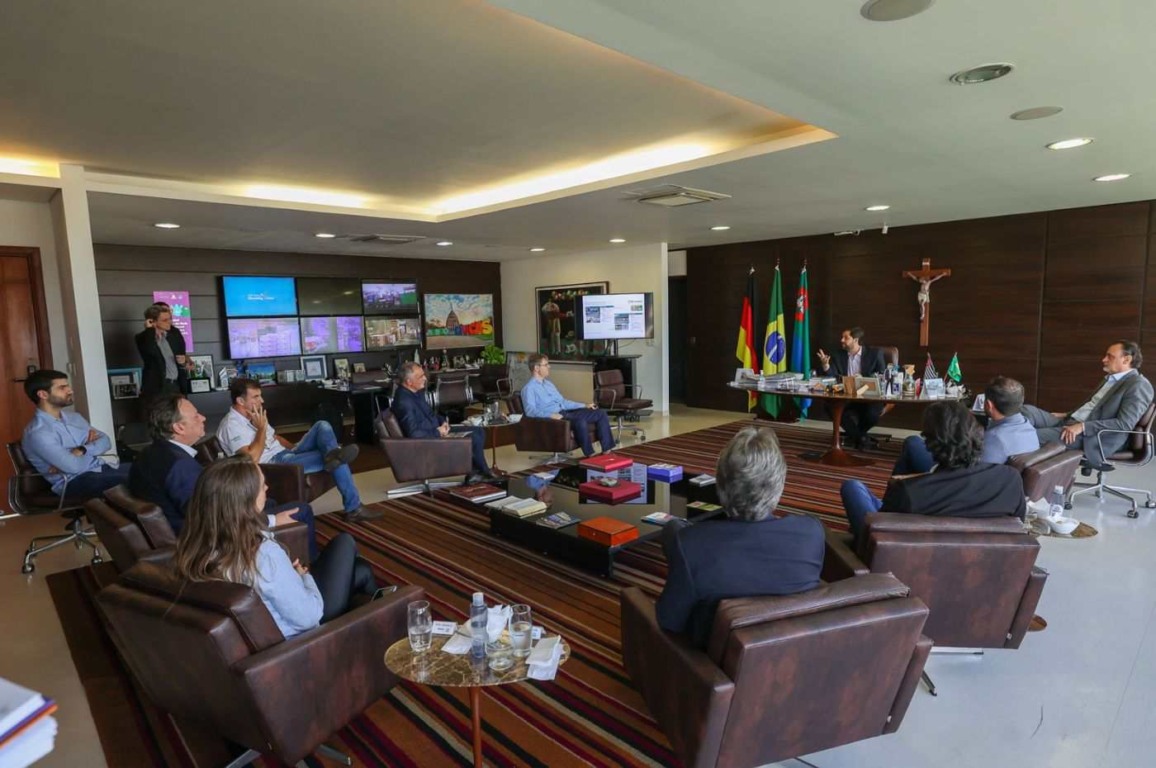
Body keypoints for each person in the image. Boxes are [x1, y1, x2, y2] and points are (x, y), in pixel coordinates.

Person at [656, 426, 824, 649]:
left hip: (709, 661)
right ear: (780, 483)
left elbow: (669, 621)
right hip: (790, 653)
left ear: (721, 485)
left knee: (674, 529)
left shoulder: (691, 544)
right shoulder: (811, 532)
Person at [171, 459, 378, 639]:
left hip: (273, 624)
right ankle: (382, 620)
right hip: (303, 639)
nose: (267, 488)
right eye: (262, 485)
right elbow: (310, 616)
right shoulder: (263, 555)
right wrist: (303, 577)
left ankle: (380, 612)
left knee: (361, 570)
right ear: (246, 500)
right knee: (345, 542)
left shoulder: (197, 544)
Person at [128, 393, 318, 557]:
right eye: (195, 416)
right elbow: (211, 519)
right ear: (179, 428)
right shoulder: (180, 466)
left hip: (192, 524)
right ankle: (308, 569)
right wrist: (271, 521)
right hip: (205, 543)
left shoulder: (150, 454)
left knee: (269, 502)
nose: (203, 418)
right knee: (302, 510)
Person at [840, 401, 1026, 546]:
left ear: (929, 444)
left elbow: (882, 532)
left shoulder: (910, 492)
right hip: (984, 561)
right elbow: (1019, 529)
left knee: (852, 488)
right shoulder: (1010, 479)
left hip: (901, 557)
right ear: (978, 432)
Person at [216, 378, 381, 522]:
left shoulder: (253, 414)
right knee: (339, 458)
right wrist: (261, 429)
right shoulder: (231, 425)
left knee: (322, 425)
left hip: (287, 454)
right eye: (256, 397)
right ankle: (353, 508)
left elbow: (275, 438)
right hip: (274, 464)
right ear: (240, 400)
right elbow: (250, 460)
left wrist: (294, 449)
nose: (262, 400)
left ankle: (332, 454)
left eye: (261, 395)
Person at [1020, 340, 1154, 469]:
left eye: (1110, 356)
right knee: (1025, 410)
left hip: (1091, 437)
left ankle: (1015, 473)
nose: (1104, 360)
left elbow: (1124, 424)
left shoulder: (1138, 385)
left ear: (1126, 359)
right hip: (1071, 422)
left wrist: (1082, 427)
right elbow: (1093, 407)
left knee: (1027, 436)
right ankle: (1013, 437)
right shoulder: (1111, 379)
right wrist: (1067, 414)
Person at [892, 376, 1040, 475]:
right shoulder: (1028, 427)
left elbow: (968, 471)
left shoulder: (996, 439)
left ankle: (898, 491)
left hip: (954, 478)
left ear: (989, 405)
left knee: (913, 443)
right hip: (991, 482)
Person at [21, 369, 130, 497]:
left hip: (100, 468)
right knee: (138, 479)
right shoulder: (38, 432)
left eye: (68, 386)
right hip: (75, 481)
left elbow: (106, 441)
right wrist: (88, 448)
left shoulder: (74, 417)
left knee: (147, 468)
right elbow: (74, 467)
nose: (70, 390)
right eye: (62, 387)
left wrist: (81, 450)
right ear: (43, 394)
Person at [390, 362, 497, 484]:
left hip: (436, 431)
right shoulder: (404, 402)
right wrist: (438, 432)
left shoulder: (416, 393)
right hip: (428, 442)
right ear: (409, 382)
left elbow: (430, 414)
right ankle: (483, 472)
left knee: (478, 431)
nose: (425, 379)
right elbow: (413, 434)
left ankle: (476, 472)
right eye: (421, 376)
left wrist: (443, 422)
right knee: (474, 436)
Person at [521, 353, 616, 457]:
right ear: (536, 368)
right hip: (554, 418)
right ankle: (590, 455)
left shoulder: (548, 384)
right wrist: (550, 415)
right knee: (580, 421)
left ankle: (607, 451)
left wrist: (584, 405)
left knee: (600, 413)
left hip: (566, 412)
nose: (549, 366)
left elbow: (563, 402)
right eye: (546, 364)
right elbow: (530, 411)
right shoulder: (529, 389)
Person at [816, 327, 888, 447]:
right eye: (842, 337)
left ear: (855, 340)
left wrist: (863, 378)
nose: (841, 340)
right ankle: (861, 438)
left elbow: (882, 375)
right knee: (830, 407)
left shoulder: (874, 354)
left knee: (873, 413)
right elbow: (832, 377)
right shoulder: (838, 355)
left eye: (846, 338)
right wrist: (826, 366)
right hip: (846, 395)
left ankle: (856, 435)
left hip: (868, 397)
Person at [135, 304, 190, 405]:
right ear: (152, 321)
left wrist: (183, 361)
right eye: (165, 320)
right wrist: (149, 330)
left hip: (176, 385)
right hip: (158, 387)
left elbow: (183, 355)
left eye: (170, 319)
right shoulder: (143, 338)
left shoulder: (173, 335)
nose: (170, 322)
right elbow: (149, 351)